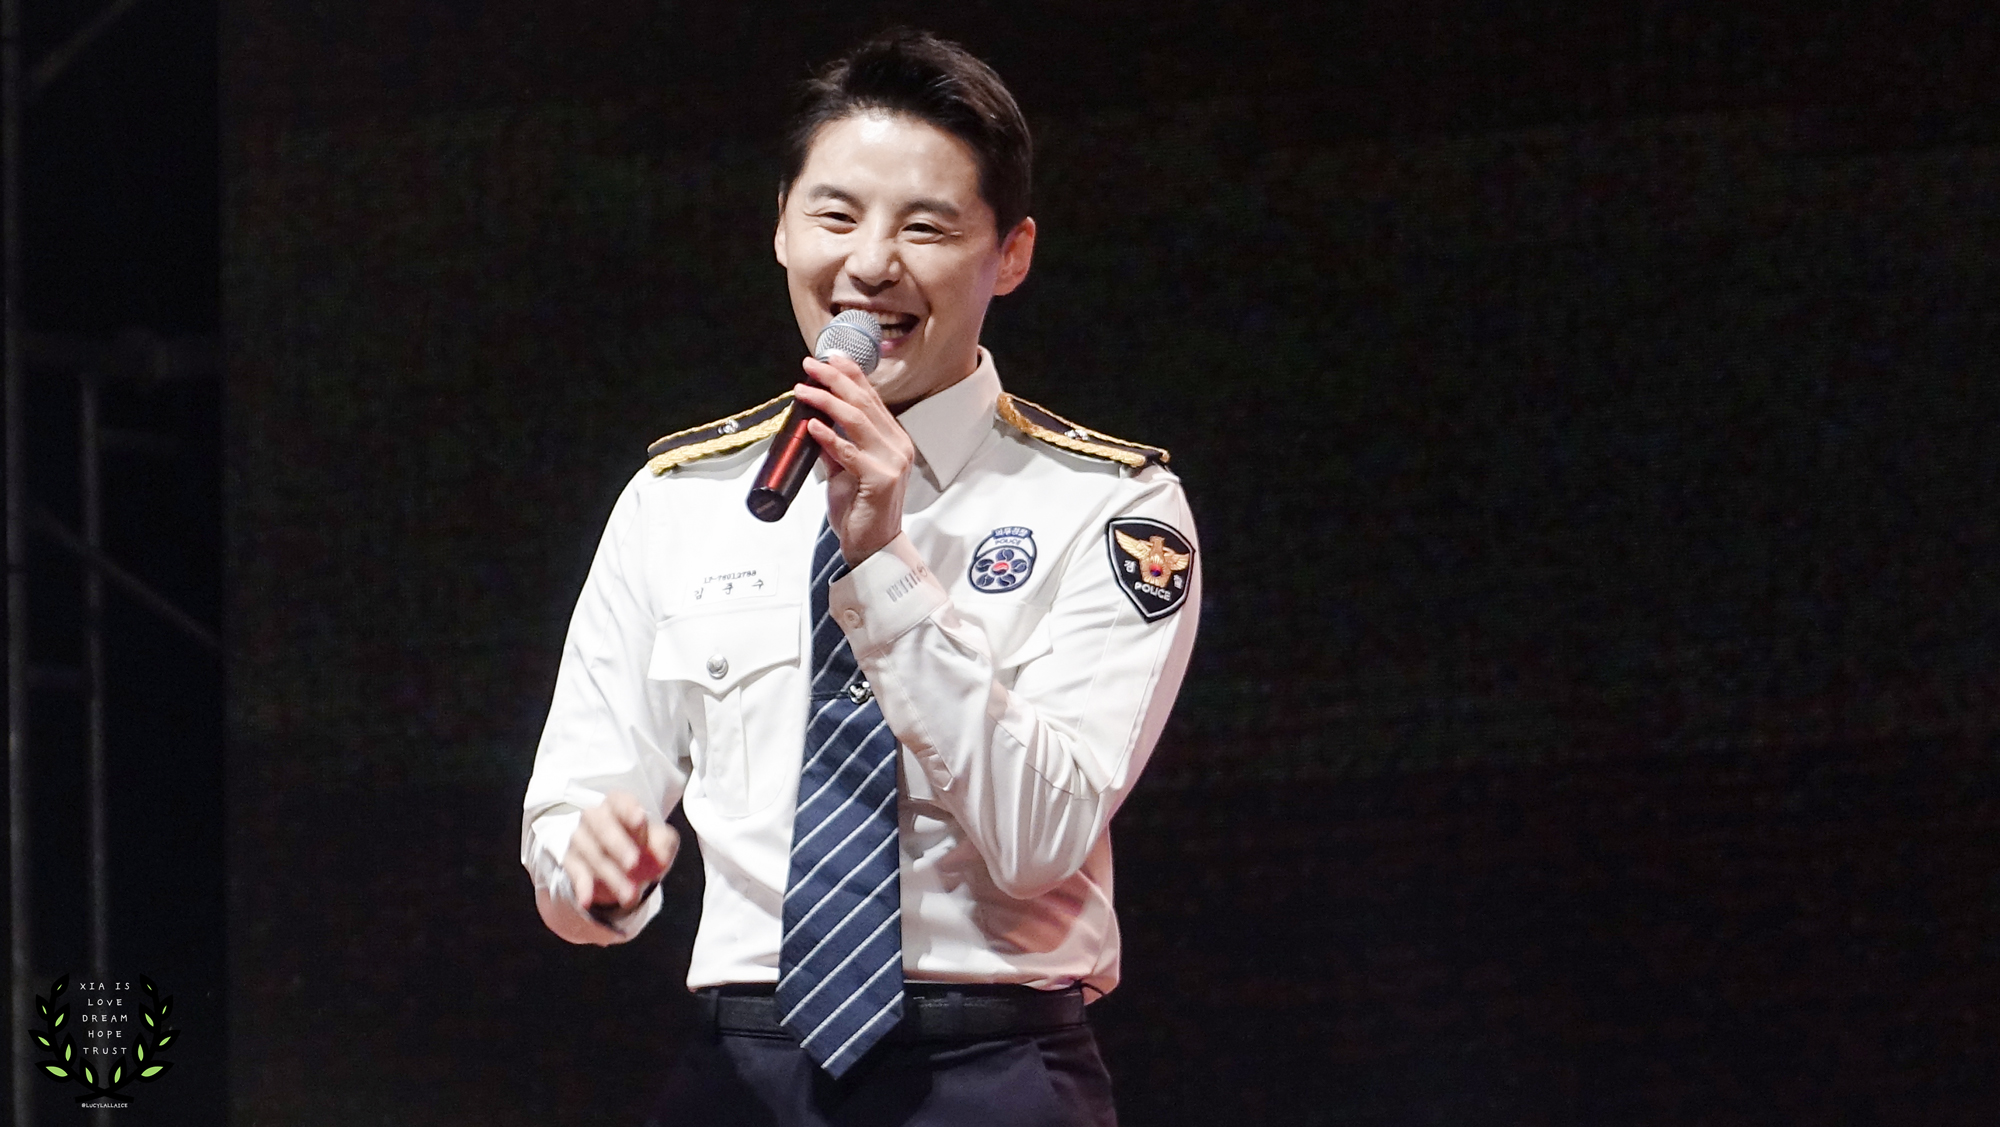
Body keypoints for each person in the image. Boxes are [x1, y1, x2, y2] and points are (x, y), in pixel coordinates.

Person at [520, 28, 1200, 1127]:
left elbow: (1039, 836)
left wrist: (884, 560)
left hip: (990, 1064)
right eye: (834, 216)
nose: (871, 264)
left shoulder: (1107, 507)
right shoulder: (682, 498)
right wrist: (593, 871)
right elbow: (573, 817)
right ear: (780, 226)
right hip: (742, 1066)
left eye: (925, 227)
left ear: (1010, 254)